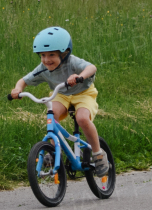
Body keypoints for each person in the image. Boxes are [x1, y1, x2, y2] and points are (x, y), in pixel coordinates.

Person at [9, 26, 106, 175]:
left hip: (84, 93)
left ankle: (98, 153)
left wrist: (79, 76)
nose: (47, 60)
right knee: (52, 114)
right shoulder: (43, 68)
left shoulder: (72, 62)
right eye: (42, 55)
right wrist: (17, 89)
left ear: (65, 53)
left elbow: (91, 68)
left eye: (52, 55)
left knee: (82, 119)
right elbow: (24, 80)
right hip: (61, 94)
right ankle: (55, 153)